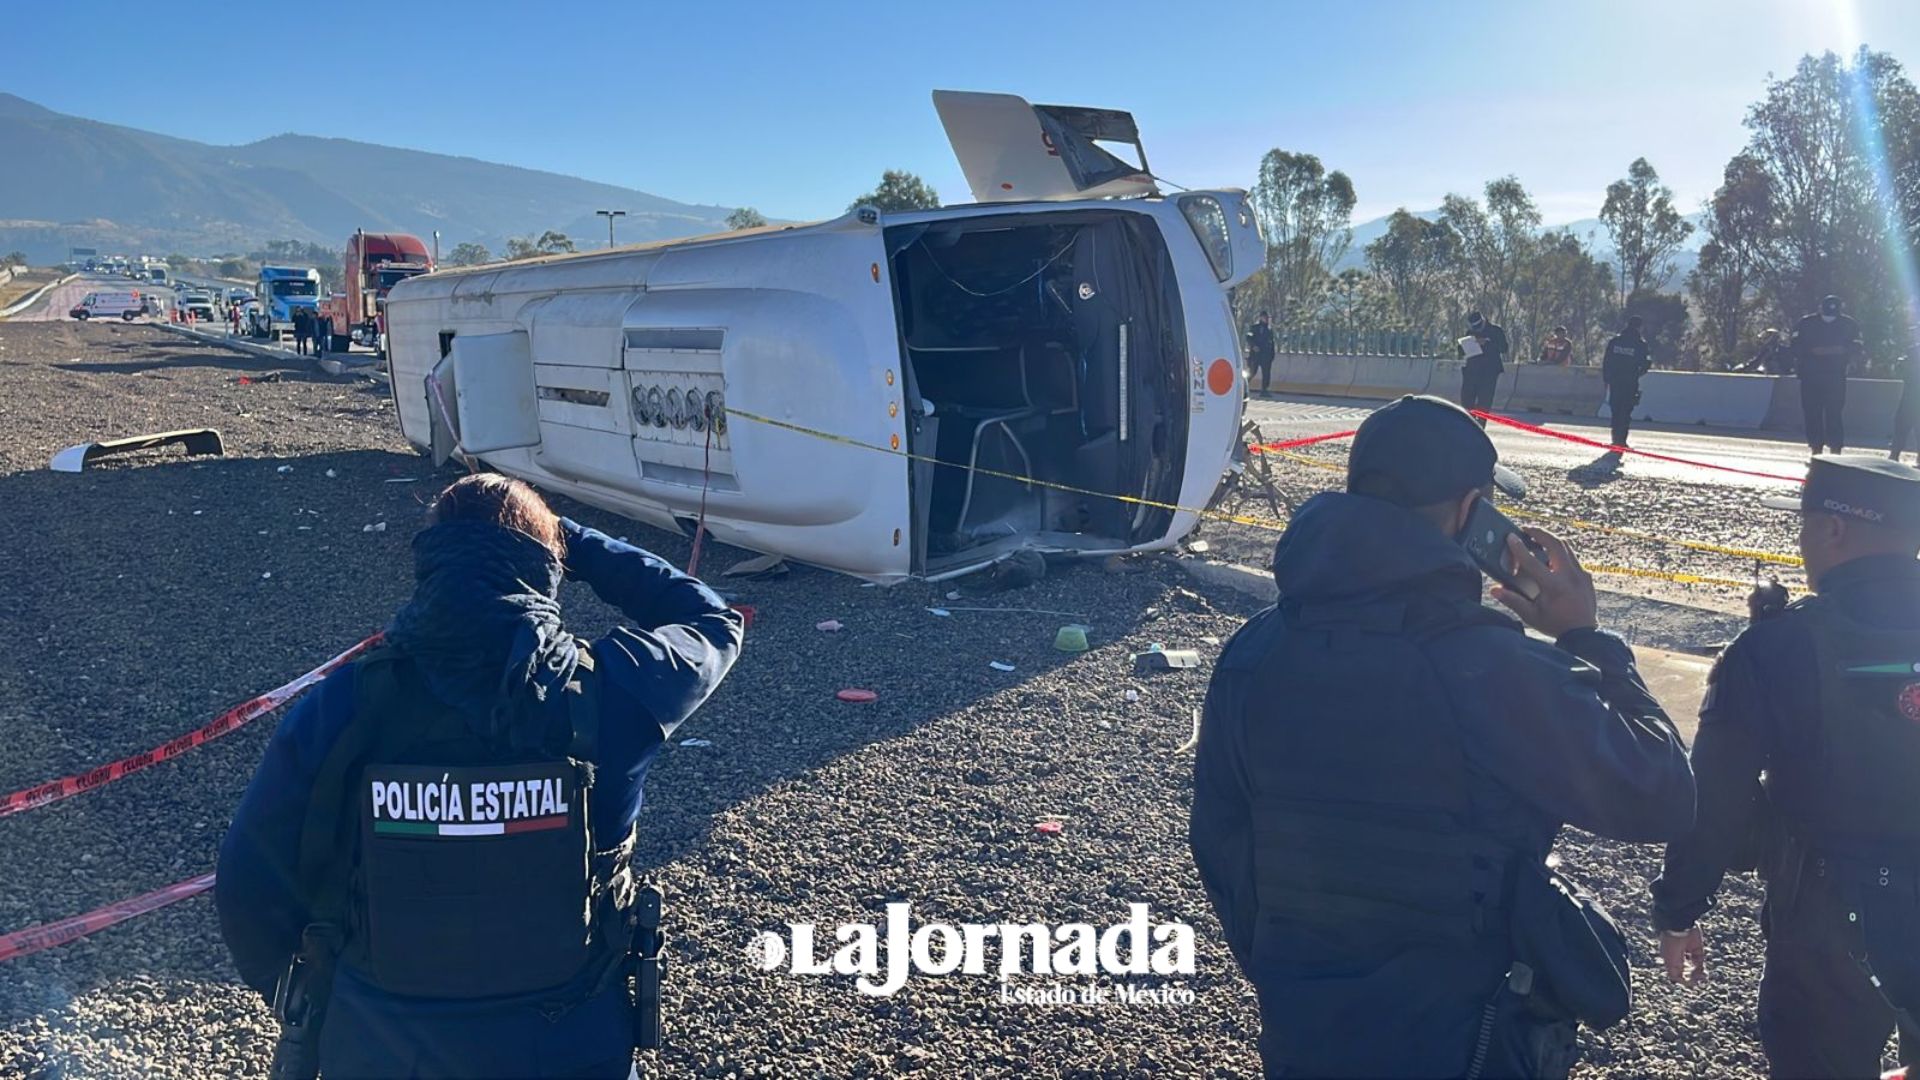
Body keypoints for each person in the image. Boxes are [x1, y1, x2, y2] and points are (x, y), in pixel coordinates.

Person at [1191, 394, 1696, 1078]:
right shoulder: (1487, 665)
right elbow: (1659, 791)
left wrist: (1299, 968)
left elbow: (1221, 840)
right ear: (1470, 512)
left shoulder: (1254, 653)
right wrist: (1586, 636)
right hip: (1468, 1043)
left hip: (1304, 1034)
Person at [217, 474, 744, 1079]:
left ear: (429, 563)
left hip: (380, 1044)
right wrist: (573, 541)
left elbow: (248, 883)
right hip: (572, 1040)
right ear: (547, 566)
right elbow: (711, 618)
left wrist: (314, 995)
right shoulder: (617, 691)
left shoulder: (344, 703)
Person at [1652, 456, 1920, 1079]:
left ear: (1834, 530)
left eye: (1804, 524)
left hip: (1827, 913)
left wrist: (1678, 909)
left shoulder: (1777, 646)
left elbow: (1713, 799)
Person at [1792, 294, 1866, 455]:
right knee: (1812, 412)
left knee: (1834, 412)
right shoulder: (1806, 323)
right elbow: (1795, 345)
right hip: (1810, 375)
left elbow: (1858, 344)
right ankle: (1816, 448)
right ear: (1820, 308)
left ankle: (1836, 448)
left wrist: (1843, 350)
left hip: (1835, 375)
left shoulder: (1849, 324)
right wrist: (1812, 351)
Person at [1602, 315, 1654, 450]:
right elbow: (1647, 363)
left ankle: (1615, 439)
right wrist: (1637, 374)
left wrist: (1607, 378)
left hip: (1615, 381)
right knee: (1625, 411)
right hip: (1630, 382)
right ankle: (1621, 440)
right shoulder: (1640, 344)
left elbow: (1606, 361)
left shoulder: (1615, 341)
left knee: (1615, 409)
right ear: (1639, 327)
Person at [1456, 311, 1509, 424]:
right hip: (1472, 370)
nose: (1477, 330)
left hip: (1489, 372)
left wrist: (1487, 342)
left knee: (1485, 400)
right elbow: (1461, 351)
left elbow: (1504, 348)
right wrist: (1469, 344)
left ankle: (1480, 424)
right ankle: (1470, 420)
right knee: (1466, 399)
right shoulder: (1470, 333)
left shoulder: (1496, 331)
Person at [1892, 355, 1920, 463]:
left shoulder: (1913, 351)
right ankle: (1894, 454)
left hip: (1911, 396)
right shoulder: (1913, 351)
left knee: (1902, 424)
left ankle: (1895, 454)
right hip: (1910, 396)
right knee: (1901, 424)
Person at [1245, 310, 1276, 394]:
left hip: (1266, 356)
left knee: (1266, 374)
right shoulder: (1255, 328)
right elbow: (1248, 338)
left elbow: (1272, 343)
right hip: (1256, 355)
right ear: (1260, 318)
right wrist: (1254, 346)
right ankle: (1243, 386)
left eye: (1267, 318)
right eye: (1264, 317)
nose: (1266, 319)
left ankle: (1264, 390)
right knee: (1252, 372)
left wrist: (1272, 355)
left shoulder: (1269, 330)